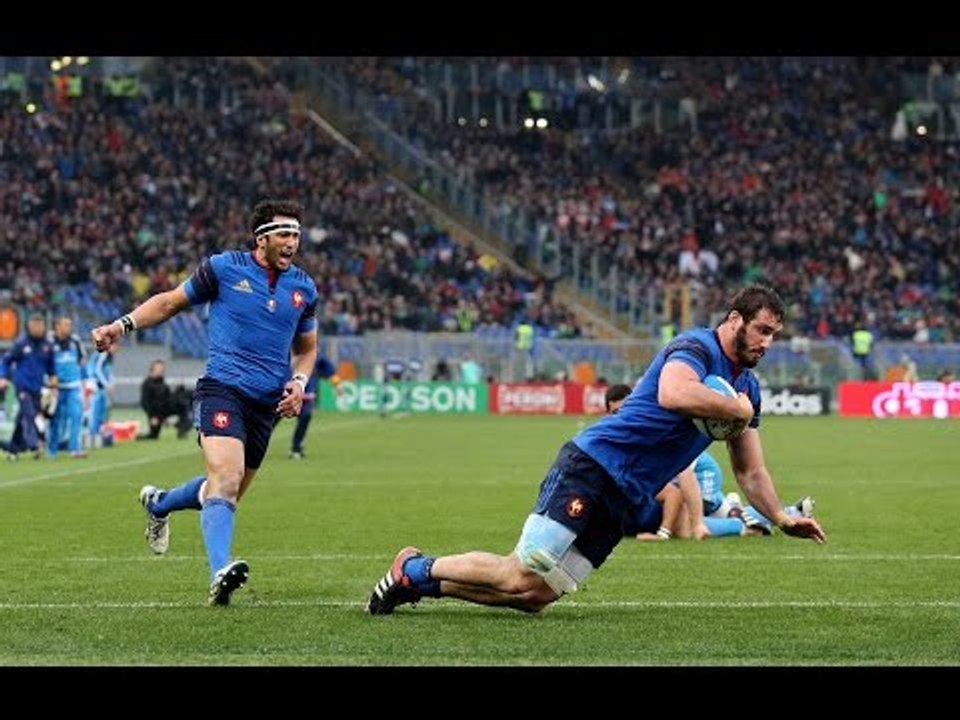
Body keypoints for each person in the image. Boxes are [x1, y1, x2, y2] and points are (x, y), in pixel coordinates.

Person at [365, 284, 826, 615]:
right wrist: (735, 409)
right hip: (595, 465)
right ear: (734, 321)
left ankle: (419, 583)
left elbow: (750, 472)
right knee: (517, 571)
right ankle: (415, 566)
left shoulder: (748, 387)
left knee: (534, 595)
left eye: (774, 335)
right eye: (762, 330)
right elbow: (673, 393)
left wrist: (781, 518)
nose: (767, 343)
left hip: (627, 496)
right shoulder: (696, 347)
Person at [91, 198, 318, 607]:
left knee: (224, 491)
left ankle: (159, 503)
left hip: (267, 405)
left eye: (297, 235)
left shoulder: (304, 288)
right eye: (284, 234)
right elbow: (169, 302)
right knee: (225, 482)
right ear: (261, 238)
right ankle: (219, 573)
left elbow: (307, 349)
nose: (292, 243)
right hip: (222, 390)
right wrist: (121, 324)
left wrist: (299, 381)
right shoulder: (224, 268)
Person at [649, 450, 816, 540]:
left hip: (701, 474)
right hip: (685, 478)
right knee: (707, 516)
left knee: (685, 526)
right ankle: (793, 512)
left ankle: (740, 522)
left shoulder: (656, 434)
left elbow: (685, 475)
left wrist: (666, 531)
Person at [0, 313, 57, 460]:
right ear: (29, 327)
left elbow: (51, 366)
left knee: (21, 419)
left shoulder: (48, 345)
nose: (37, 329)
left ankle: (12, 449)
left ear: (44, 326)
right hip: (22, 386)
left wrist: (53, 380)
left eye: (39, 326)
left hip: (38, 387)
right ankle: (34, 446)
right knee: (29, 413)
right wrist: (4, 377)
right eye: (34, 326)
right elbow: (6, 360)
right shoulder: (21, 344)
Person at [48, 315, 88, 458]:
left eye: (70, 325)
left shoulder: (75, 341)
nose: (69, 328)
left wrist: (84, 382)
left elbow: (82, 360)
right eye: (66, 325)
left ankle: (74, 449)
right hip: (56, 388)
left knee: (76, 416)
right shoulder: (49, 341)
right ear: (57, 326)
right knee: (55, 419)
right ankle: (52, 451)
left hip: (73, 386)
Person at [289, 356, 341, 460]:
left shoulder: (314, 357)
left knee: (306, 417)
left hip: (307, 396)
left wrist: (337, 385)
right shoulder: (285, 353)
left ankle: (296, 448)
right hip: (287, 394)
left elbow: (328, 370)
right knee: (271, 419)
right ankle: (255, 443)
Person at [138, 359, 192, 440]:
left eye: (162, 369)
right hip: (156, 413)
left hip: (166, 409)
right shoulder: (147, 384)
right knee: (153, 436)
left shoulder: (162, 382)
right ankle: (175, 424)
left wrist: (179, 390)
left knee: (183, 404)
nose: (162, 371)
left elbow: (168, 398)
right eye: (159, 369)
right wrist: (152, 416)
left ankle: (181, 430)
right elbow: (145, 403)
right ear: (152, 369)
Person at [85, 338, 118, 448]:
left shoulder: (110, 357)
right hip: (94, 387)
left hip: (101, 388)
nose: (117, 349)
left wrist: (111, 382)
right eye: (115, 346)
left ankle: (99, 437)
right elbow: (97, 370)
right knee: (94, 413)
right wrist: (106, 384)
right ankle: (90, 438)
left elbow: (109, 372)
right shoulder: (102, 353)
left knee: (101, 413)